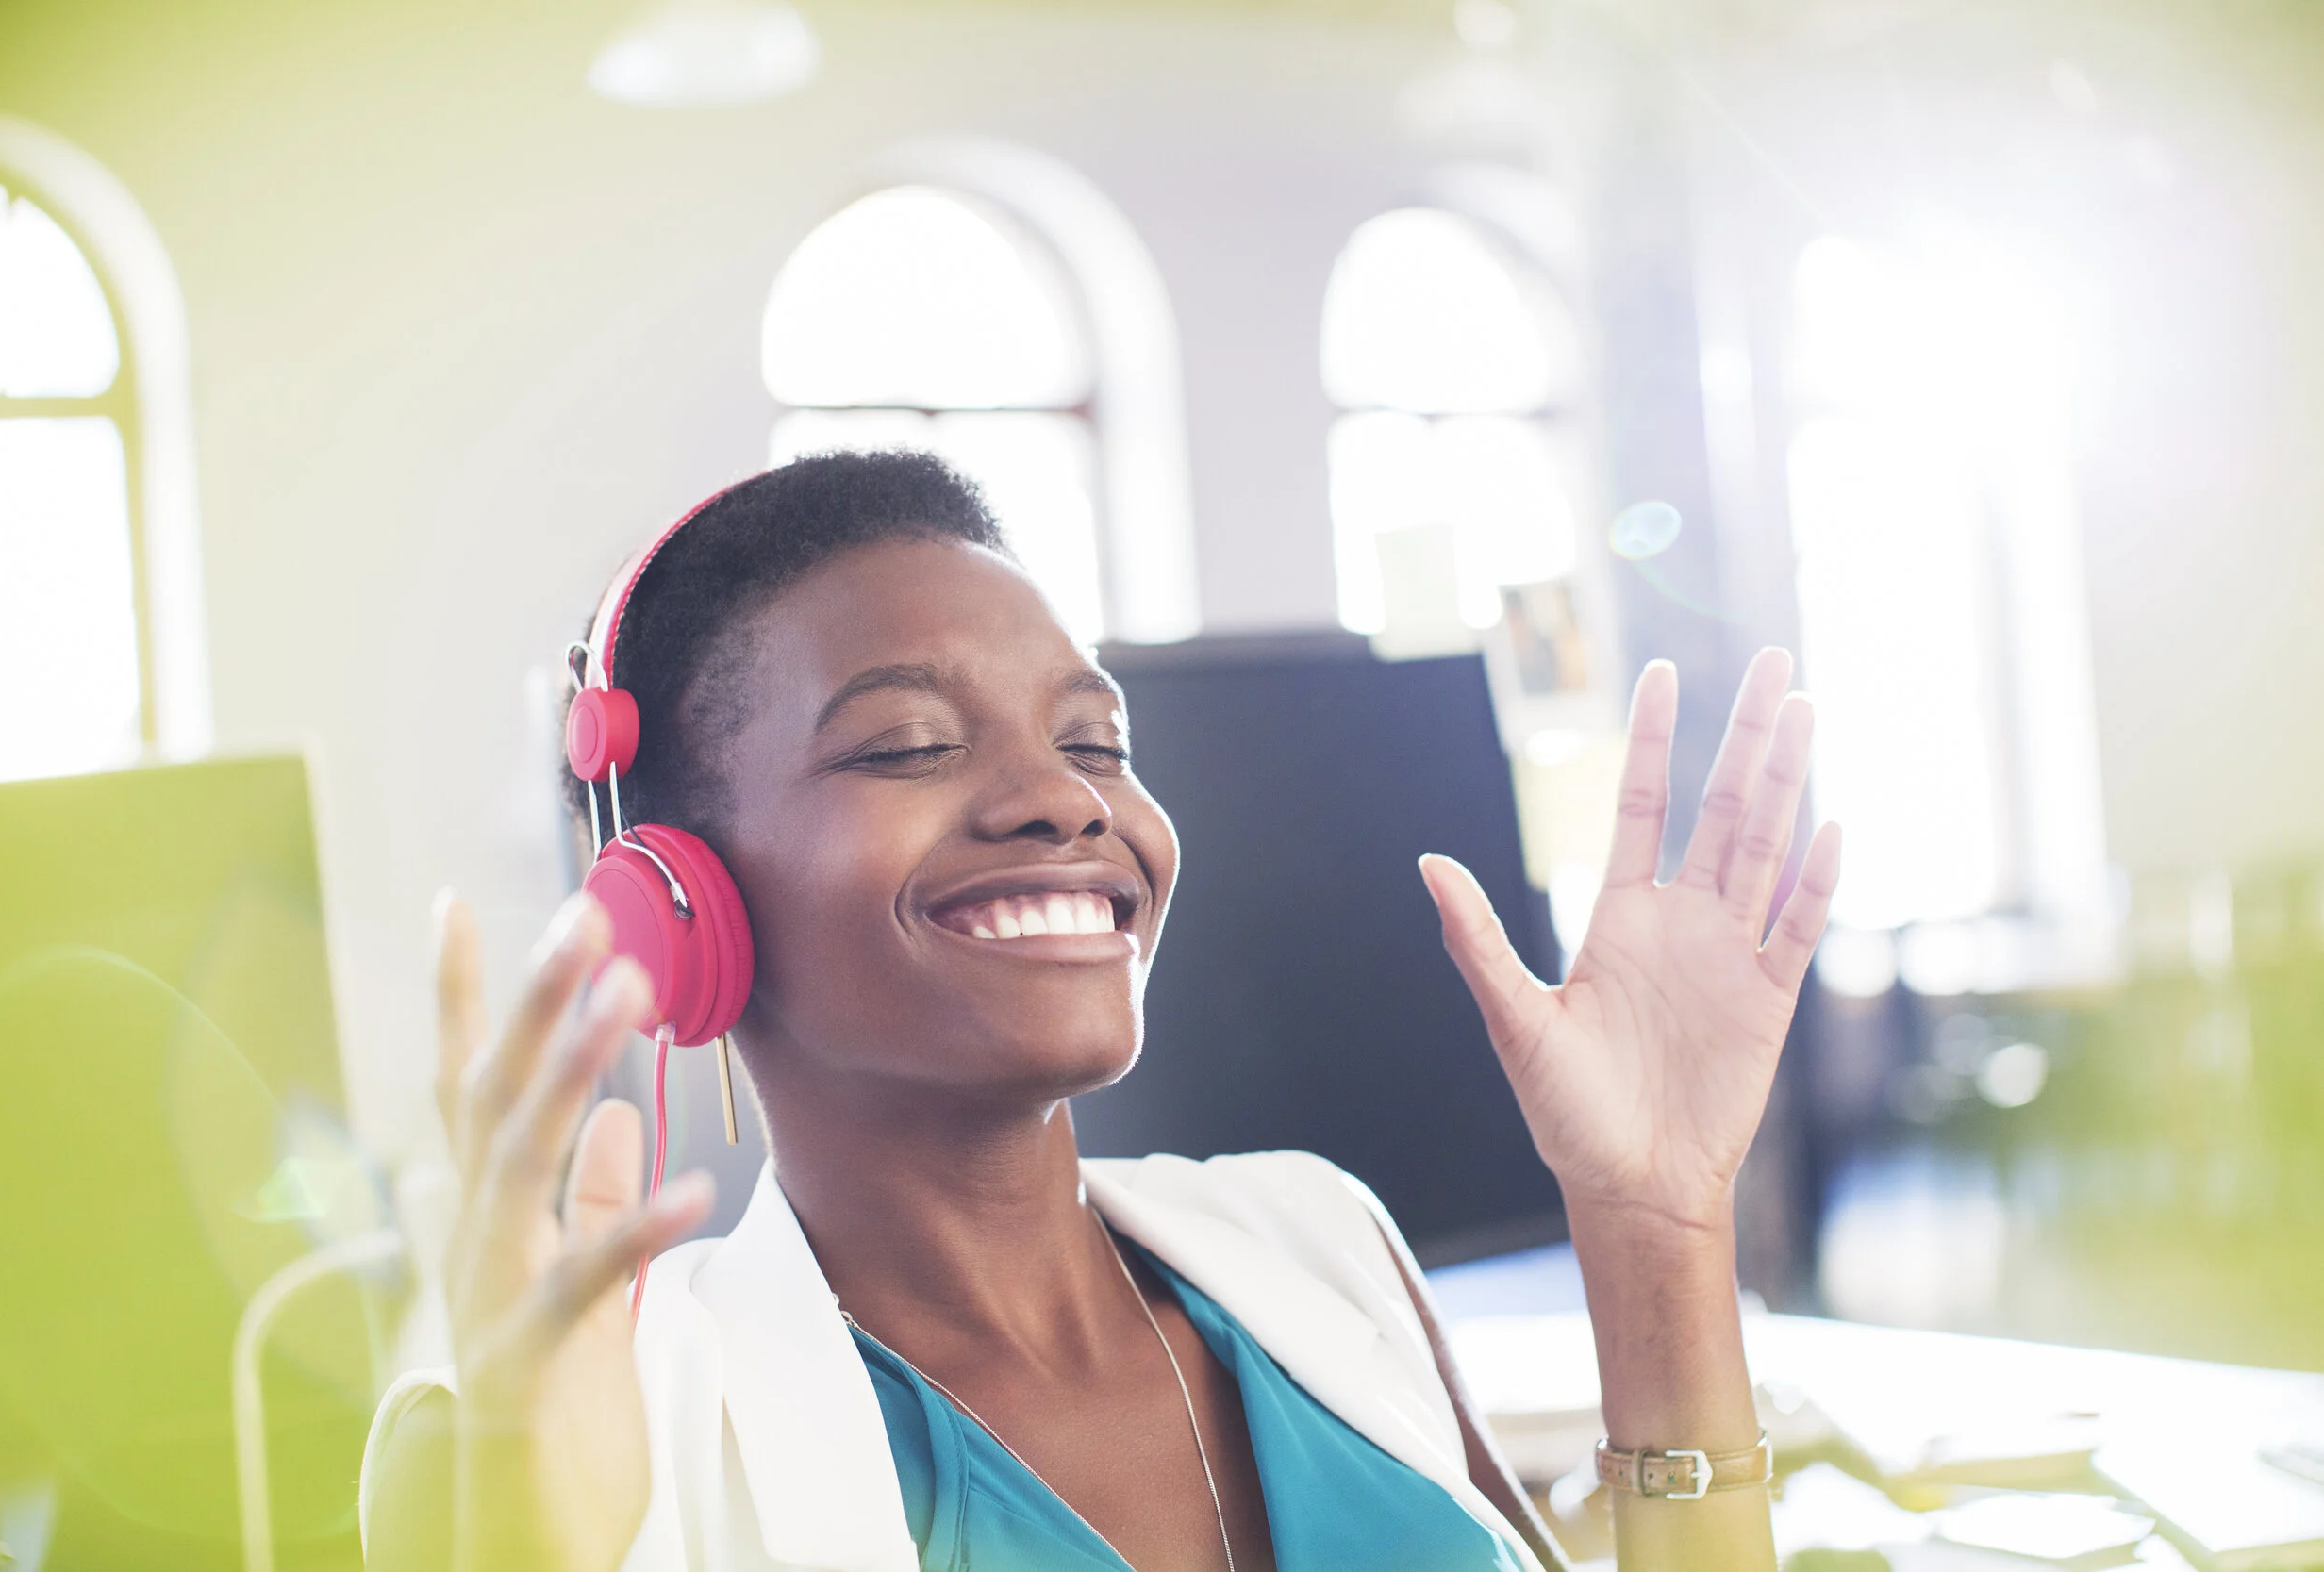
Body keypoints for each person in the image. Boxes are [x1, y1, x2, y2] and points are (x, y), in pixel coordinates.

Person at [359, 452, 1837, 1572]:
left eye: (1096, 739)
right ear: (680, 893)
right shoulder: (608, 1405)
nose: (1066, 798)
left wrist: (1657, 1236)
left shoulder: (1314, 1240)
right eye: (908, 743)